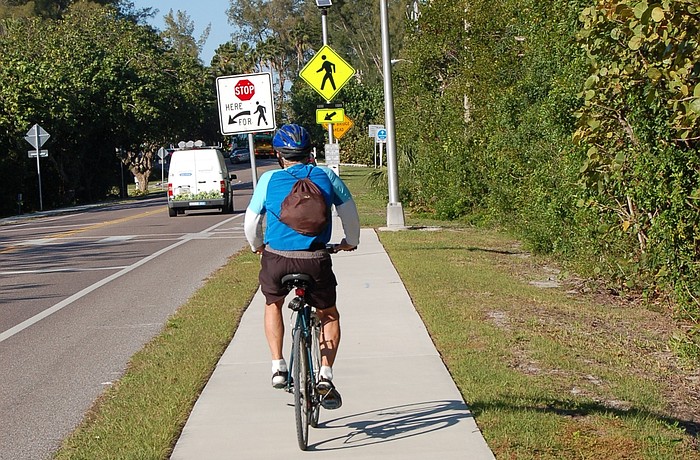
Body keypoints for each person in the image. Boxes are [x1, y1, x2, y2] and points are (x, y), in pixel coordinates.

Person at [244, 123, 360, 410]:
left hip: (277, 260)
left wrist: (257, 246)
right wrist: (349, 242)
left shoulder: (268, 180)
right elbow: (350, 216)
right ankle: (325, 373)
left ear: (279, 154)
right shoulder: (327, 176)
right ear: (310, 152)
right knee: (329, 314)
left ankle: (278, 365)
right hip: (316, 260)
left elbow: (250, 223)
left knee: (273, 304)